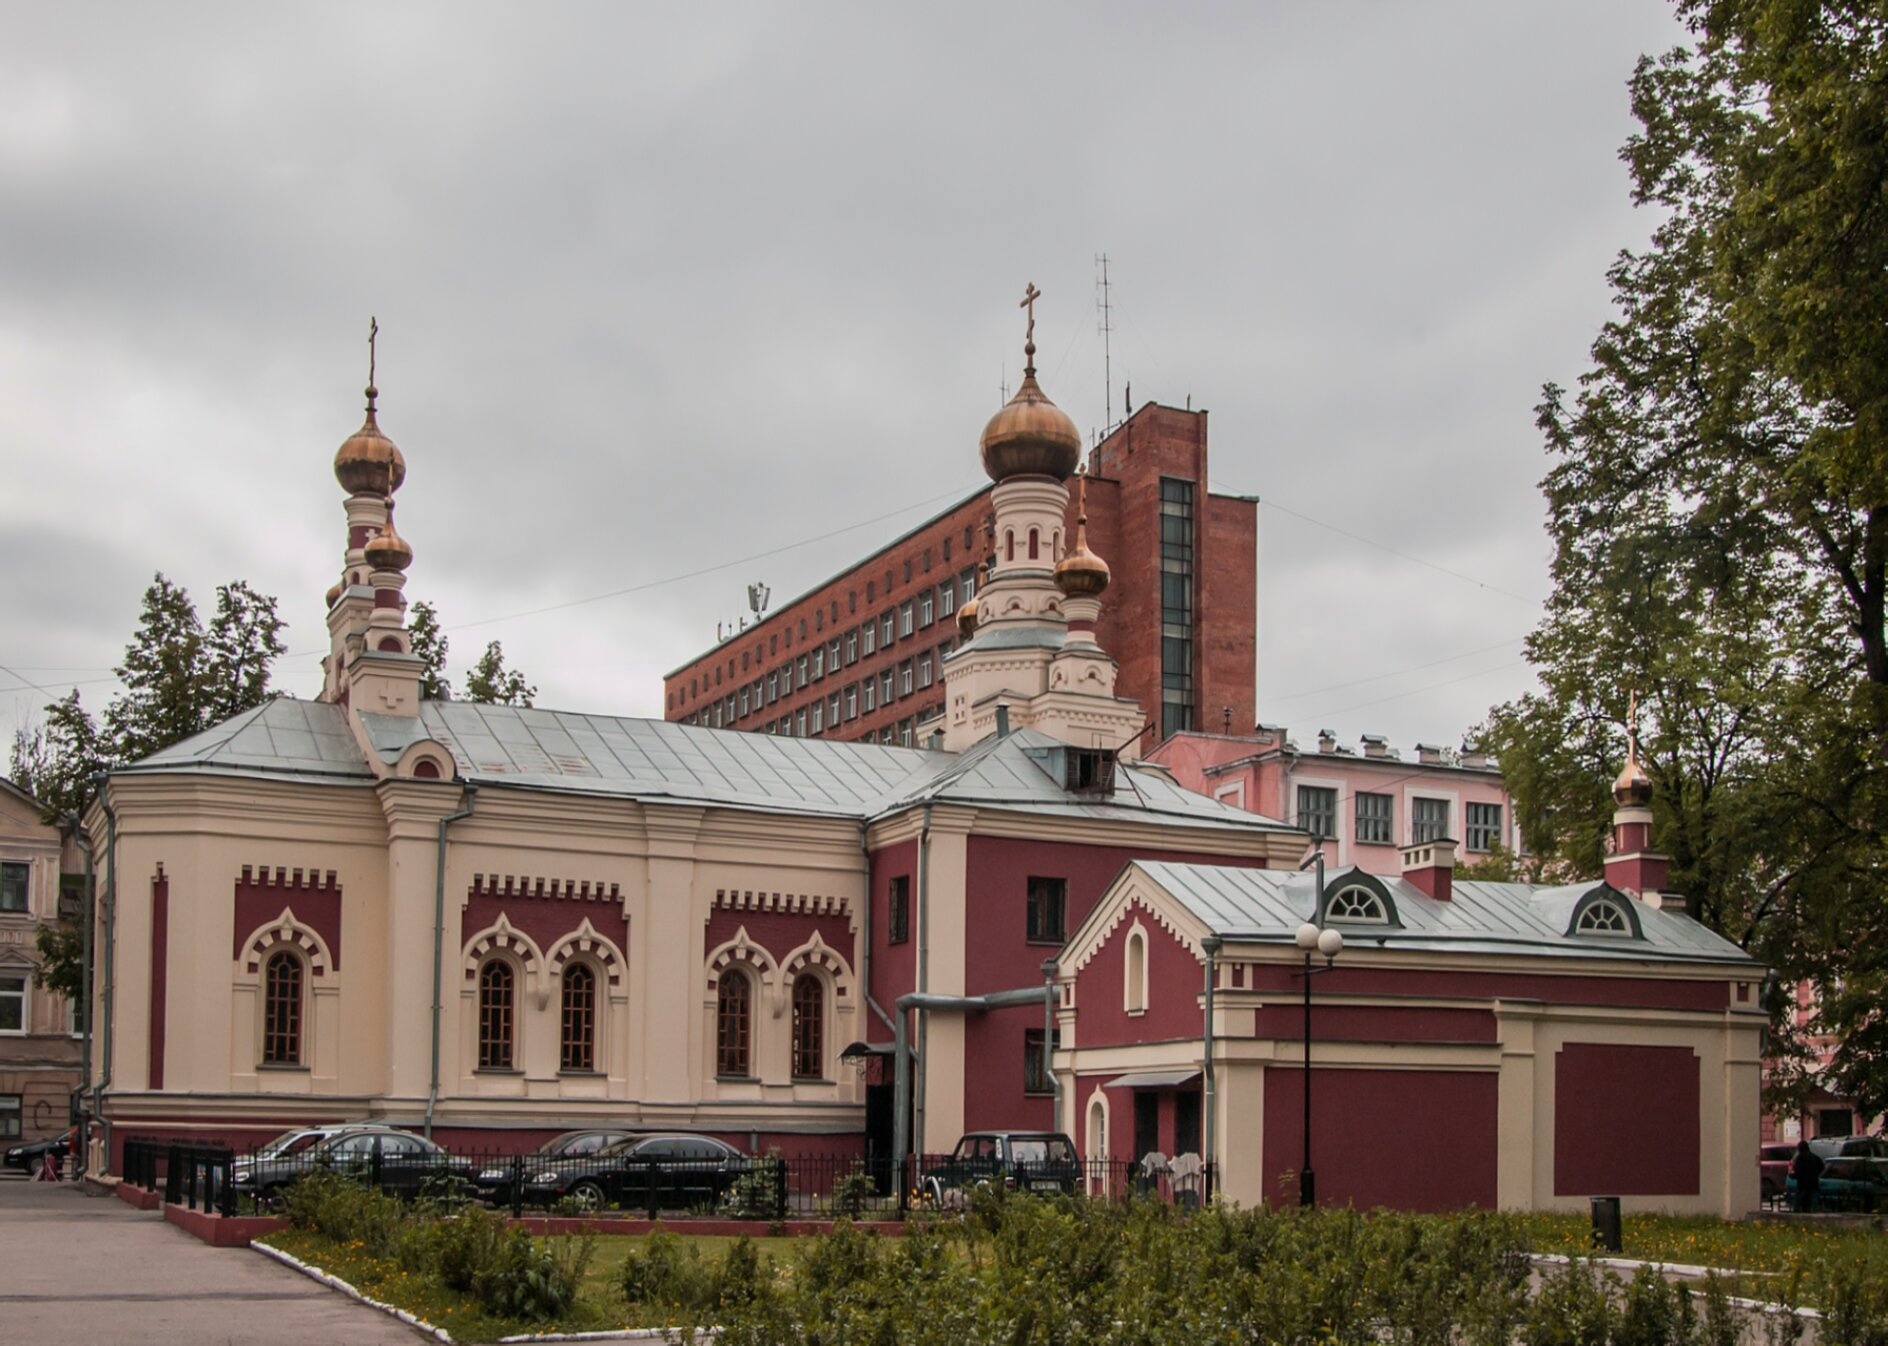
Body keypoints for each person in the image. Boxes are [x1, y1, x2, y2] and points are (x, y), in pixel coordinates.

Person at [1790, 1139, 1824, 1212]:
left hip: (1803, 1186)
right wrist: (1816, 1173)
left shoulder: (1800, 1158)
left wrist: (1792, 1175)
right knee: (1814, 1207)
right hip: (1814, 1184)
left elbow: (1798, 1172)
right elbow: (1822, 1167)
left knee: (1800, 1207)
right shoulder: (1815, 1157)